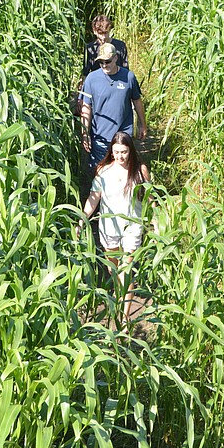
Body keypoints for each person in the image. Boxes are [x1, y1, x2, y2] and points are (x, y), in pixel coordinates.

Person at [78, 131, 151, 326]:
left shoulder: (140, 171)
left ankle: (125, 318)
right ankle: (119, 298)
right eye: (116, 152)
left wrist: (158, 223)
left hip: (132, 225)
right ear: (111, 151)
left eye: (124, 152)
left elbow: (151, 199)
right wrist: (82, 219)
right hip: (109, 226)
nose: (120, 156)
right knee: (114, 270)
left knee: (126, 271)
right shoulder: (104, 171)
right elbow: (94, 198)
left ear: (131, 151)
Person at [80, 42, 147, 174]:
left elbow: (137, 101)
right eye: (101, 62)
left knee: (124, 173)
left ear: (116, 58)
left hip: (123, 137)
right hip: (100, 137)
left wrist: (142, 125)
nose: (105, 65)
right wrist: (85, 133)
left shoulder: (128, 77)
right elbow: (86, 107)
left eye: (108, 61)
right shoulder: (91, 79)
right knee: (100, 175)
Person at [81, 15, 129, 79]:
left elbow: (125, 69)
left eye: (106, 33)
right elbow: (85, 72)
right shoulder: (90, 49)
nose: (103, 37)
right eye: (100, 34)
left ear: (109, 30)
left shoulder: (120, 46)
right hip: (98, 82)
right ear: (94, 31)